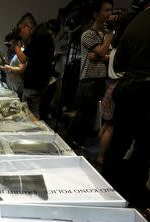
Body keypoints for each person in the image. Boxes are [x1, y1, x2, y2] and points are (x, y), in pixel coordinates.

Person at [102, 0, 150, 208]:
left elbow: (118, 64)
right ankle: (133, 207)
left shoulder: (139, 16)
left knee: (118, 149)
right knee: (144, 154)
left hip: (128, 88)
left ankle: (106, 197)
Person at [65, 0, 114, 147]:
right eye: (106, 10)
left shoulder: (104, 34)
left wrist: (101, 55)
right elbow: (103, 51)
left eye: (111, 10)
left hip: (101, 78)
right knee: (83, 113)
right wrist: (109, 38)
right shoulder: (87, 34)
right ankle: (70, 140)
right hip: (89, 79)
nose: (109, 14)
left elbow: (110, 55)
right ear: (96, 14)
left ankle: (81, 142)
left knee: (92, 114)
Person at [15, 13, 55, 119]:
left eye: (20, 30)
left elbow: (23, 59)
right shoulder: (43, 35)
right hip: (39, 84)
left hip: (34, 86)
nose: (20, 34)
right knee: (33, 117)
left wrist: (16, 46)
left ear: (28, 26)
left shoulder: (38, 37)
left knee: (30, 118)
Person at [0, 32, 25, 99]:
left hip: (18, 87)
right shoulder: (16, 53)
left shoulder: (21, 52)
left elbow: (22, 69)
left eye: (10, 45)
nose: (9, 48)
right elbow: (15, 67)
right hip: (14, 87)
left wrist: (9, 67)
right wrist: (6, 66)